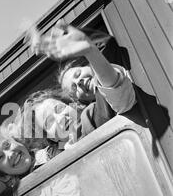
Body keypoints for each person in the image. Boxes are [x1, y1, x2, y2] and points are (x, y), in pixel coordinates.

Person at [16, 20, 136, 154]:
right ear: (51, 138)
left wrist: (88, 48)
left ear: (73, 106)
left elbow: (116, 93)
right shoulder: (61, 165)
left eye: (59, 108)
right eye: (49, 122)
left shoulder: (91, 119)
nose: (59, 117)